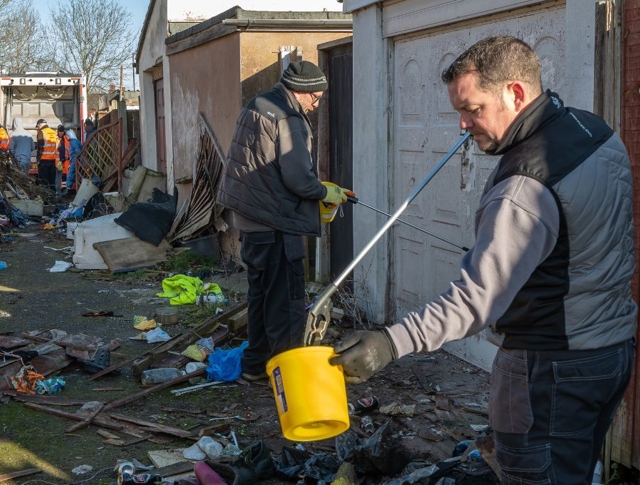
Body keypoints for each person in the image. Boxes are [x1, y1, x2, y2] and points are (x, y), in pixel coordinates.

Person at [331, 36, 636, 484]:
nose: (463, 124)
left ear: (515, 93)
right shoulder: (594, 130)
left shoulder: (524, 185)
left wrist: (390, 343)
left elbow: (475, 302)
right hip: (611, 354)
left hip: (549, 370)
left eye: (473, 109)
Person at [218, 60, 354, 381]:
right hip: (278, 224)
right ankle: (288, 378)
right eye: (315, 98)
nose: (316, 104)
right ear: (301, 92)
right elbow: (298, 179)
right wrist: (324, 192)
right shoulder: (289, 118)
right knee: (287, 305)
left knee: (260, 297)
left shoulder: (257, 105)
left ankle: (255, 367)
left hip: (250, 221)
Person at [35, 119, 58, 194]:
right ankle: (53, 199)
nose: (38, 128)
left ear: (39, 125)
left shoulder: (41, 132)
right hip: (53, 160)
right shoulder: (54, 132)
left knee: (44, 182)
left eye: (37, 126)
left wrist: (38, 159)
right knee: (52, 182)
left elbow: (40, 147)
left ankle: (46, 200)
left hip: (44, 160)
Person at [55, 125, 71, 199]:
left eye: (62, 131)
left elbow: (69, 148)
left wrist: (67, 157)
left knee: (65, 176)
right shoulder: (56, 138)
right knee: (59, 177)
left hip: (66, 160)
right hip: (59, 160)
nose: (61, 133)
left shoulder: (66, 138)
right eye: (60, 131)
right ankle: (60, 191)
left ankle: (65, 190)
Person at [66, 127, 82, 193]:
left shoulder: (73, 142)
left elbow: (77, 152)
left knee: (71, 173)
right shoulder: (76, 141)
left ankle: (68, 188)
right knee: (76, 174)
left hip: (75, 160)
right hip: (77, 160)